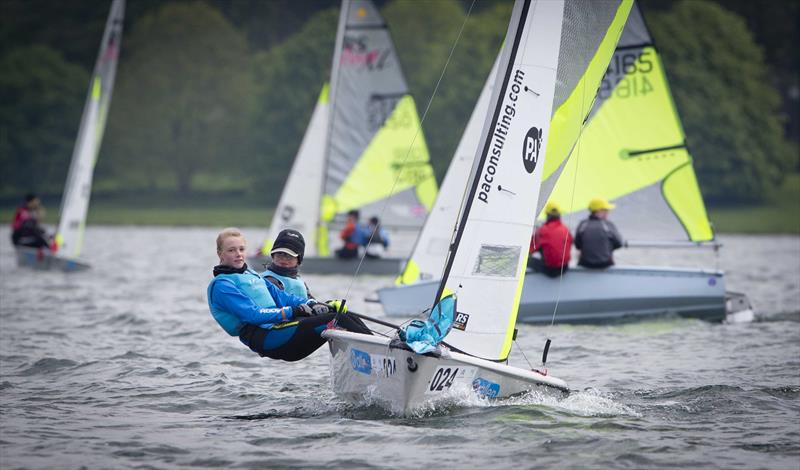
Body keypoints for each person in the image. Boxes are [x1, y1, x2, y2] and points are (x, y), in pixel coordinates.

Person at [207, 228, 372, 362]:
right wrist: (296, 311)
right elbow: (252, 315)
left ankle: (385, 348)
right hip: (266, 338)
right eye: (231, 250)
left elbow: (283, 298)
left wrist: (317, 304)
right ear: (220, 253)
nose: (238, 254)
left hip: (280, 332)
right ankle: (383, 353)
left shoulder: (252, 275)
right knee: (336, 319)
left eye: (241, 249)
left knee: (341, 313)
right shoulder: (222, 285)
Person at [261, 228, 313, 298]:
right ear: (273, 256)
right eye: (280, 253)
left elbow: (313, 302)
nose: (284, 259)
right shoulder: (267, 280)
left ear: (298, 260)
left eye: (289, 256)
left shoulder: (301, 284)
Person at [574, 197, 623, 269]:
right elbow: (619, 243)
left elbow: (577, 245)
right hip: (605, 264)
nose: (608, 212)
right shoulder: (608, 224)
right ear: (599, 211)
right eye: (606, 210)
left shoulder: (583, 224)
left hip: (585, 264)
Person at [529, 201, 572, 277]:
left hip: (550, 270)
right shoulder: (566, 229)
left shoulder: (542, 230)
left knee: (527, 260)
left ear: (547, 214)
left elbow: (531, 249)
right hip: (564, 268)